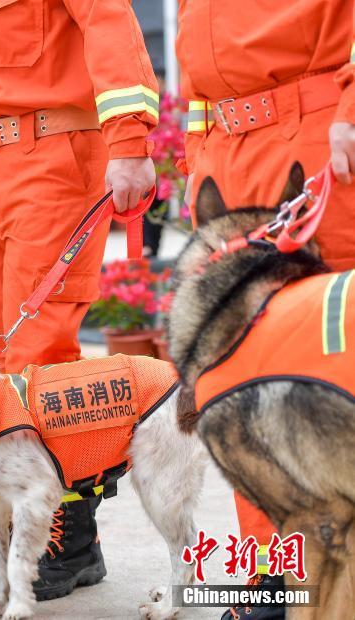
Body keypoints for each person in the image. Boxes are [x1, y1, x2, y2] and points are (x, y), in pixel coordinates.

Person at [0, 0, 158, 598]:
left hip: (53, 158)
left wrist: (129, 143)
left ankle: (68, 538)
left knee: (39, 357)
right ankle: (9, 536)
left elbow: (110, 25)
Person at [178, 2, 355, 617]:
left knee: (328, 370)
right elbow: (200, 51)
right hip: (228, 149)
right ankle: (272, 572)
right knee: (243, 373)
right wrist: (198, 155)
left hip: (316, 133)